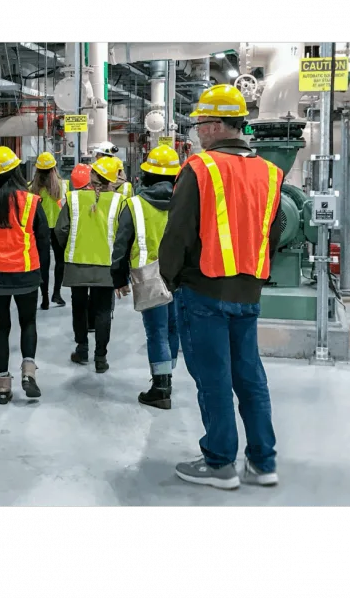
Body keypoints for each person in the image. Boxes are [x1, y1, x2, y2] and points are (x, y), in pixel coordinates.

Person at [158, 84, 284, 489]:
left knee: (213, 378)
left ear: (214, 126)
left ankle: (219, 463)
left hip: (203, 290)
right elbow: (276, 228)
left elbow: (178, 233)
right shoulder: (270, 171)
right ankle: (263, 463)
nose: (196, 132)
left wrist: (170, 278)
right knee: (249, 376)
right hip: (249, 290)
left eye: (199, 125)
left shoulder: (200, 168)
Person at [0, 146, 49, 404]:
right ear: (17, 170)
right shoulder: (30, 202)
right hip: (26, 272)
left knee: (2, 328)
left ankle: (3, 386)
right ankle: (28, 372)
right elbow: (42, 240)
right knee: (28, 323)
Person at [109, 144, 183, 409]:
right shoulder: (184, 202)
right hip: (182, 276)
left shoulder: (135, 205)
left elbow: (122, 243)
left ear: (146, 175)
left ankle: (161, 386)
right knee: (174, 328)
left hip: (149, 276)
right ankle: (168, 375)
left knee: (157, 332)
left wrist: (118, 278)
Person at [55, 157, 130, 373]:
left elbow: (61, 231)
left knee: (79, 307)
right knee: (103, 310)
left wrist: (72, 245)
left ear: (93, 176)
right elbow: (124, 236)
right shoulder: (119, 202)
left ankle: (82, 349)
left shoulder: (74, 199)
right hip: (106, 266)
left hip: (77, 263)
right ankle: (101, 358)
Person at [29, 152, 68, 310]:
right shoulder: (63, 185)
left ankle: (44, 298)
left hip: (39, 229)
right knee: (60, 262)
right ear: (54, 168)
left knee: (42, 264)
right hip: (59, 228)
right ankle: (56, 294)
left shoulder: (30, 187)